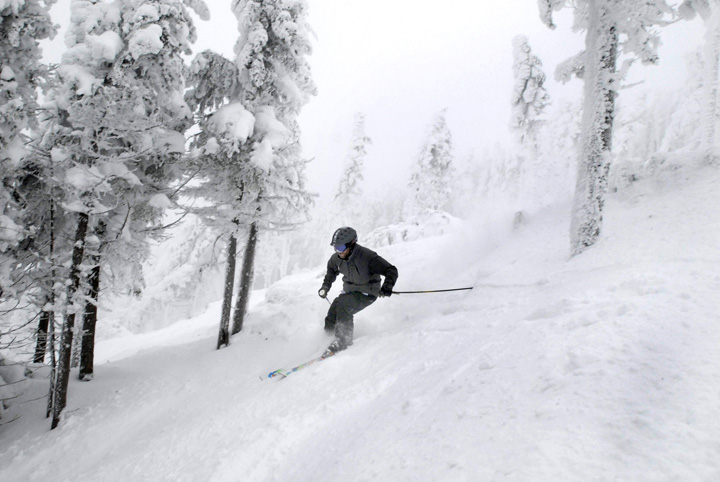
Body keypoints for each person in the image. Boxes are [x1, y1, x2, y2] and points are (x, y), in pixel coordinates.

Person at [318, 226, 398, 357]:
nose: (339, 251)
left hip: (367, 293)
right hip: (350, 292)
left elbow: (391, 270)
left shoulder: (367, 257)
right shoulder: (336, 258)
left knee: (344, 305)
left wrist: (387, 287)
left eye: (341, 248)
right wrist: (325, 287)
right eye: (336, 248)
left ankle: (343, 341)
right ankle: (327, 338)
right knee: (334, 309)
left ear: (351, 244)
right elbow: (331, 271)